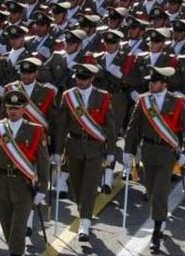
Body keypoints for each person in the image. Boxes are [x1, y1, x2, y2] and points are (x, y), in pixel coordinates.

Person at [123, 66, 185, 254]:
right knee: (152, 191)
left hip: (167, 152)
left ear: (164, 84)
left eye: (154, 82)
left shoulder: (177, 102)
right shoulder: (144, 101)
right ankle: (160, 217)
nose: (150, 84)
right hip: (147, 150)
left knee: (161, 192)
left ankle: (156, 235)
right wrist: (128, 151)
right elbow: (133, 126)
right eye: (150, 81)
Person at [0, 89, 50, 256]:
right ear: (6, 109)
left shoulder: (36, 130)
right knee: (6, 224)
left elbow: (43, 162)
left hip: (24, 185)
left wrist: (42, 188)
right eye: (10, 108)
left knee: (18, 228)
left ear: (24, 109)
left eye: (17, 108)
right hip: (3, 183)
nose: (13, 111)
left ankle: (16, 252)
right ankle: (15, 250)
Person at [54, 63, 118, 242]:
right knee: (77, 188)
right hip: (73, 147)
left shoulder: (103, 97)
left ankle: (85, 223)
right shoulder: (68, 96)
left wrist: (111, 152)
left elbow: (110, 126)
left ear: (91, 79)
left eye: (83, 78)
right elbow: (62, 125)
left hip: (94, 149)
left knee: (89, 187)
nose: (79, 81)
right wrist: (57, 152)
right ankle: (84, 212)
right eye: (78, 78)